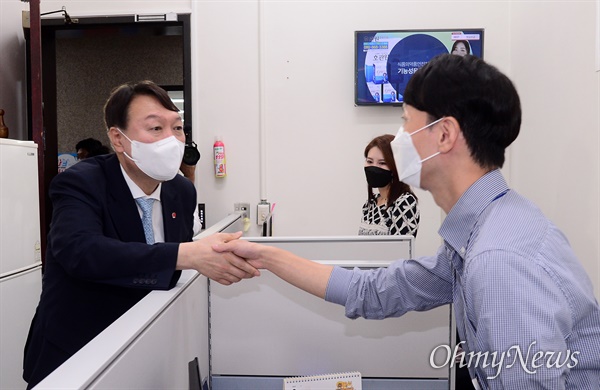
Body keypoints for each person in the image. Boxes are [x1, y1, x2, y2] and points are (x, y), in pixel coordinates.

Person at [214, 54, 600, 389]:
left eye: (406, 123)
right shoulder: (484, 231)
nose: (399, 139)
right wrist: (265, 256)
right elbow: (375, 291)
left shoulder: (498, 260)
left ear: (445, 134)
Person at [22, 80, 259, 388]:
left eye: (177, 128)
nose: (171, 141)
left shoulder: (181, 190)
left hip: (143, 346)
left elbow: (164, 270)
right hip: (76, 350)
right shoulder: (82, 181)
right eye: (155, 129)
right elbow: (80, 252)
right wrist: (186, 256)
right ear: (118, 139)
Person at [360, 134, 419, 236]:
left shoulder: (405, 202)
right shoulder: (370, 205)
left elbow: (400, 248)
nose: (374, 167)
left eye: (382, 163)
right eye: (369, 161)